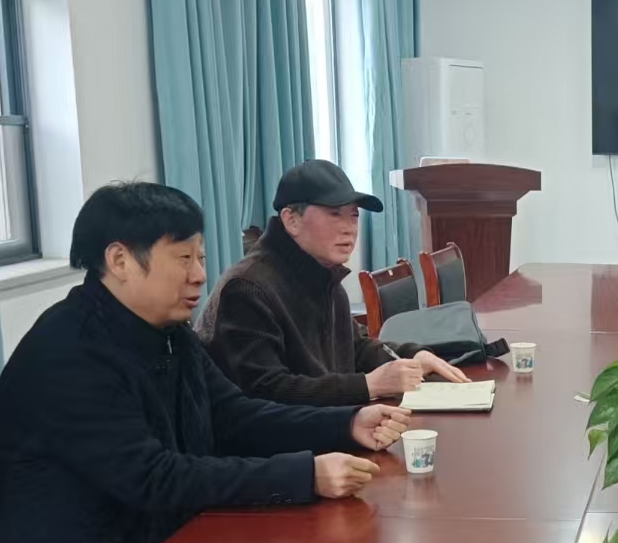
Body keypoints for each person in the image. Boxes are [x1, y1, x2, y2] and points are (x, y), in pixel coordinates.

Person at [0, 183, 411, 543]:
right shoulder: (70, 352)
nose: (200, 274)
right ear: (119, 260)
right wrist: (304, 474)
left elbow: (235, 415)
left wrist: (346, 423)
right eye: (183, 258)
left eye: (200, 257)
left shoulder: (168, 333)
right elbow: (153, 477)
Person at [199, 160, 469, 405]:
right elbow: (266, 392)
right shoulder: (247, 289)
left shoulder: (323, 275)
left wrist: (412, 357)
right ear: (291, 220)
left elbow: (353, 348)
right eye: (334, 213)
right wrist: (368, 385)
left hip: (326, 427)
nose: (349, 228)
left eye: (353, 215)